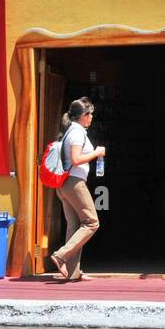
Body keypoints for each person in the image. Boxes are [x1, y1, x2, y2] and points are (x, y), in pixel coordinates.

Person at [51, 97, 105, 281]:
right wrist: (96, 153)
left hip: (65, 184)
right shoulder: (77, 132)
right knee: (91, 222)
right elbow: (75, 159)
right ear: (82, 115)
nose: (91, 117)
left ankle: (72, 273)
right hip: (74, 182)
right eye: (89, 114)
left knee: (74, 226)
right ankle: (61, 255)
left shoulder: (71, 131)